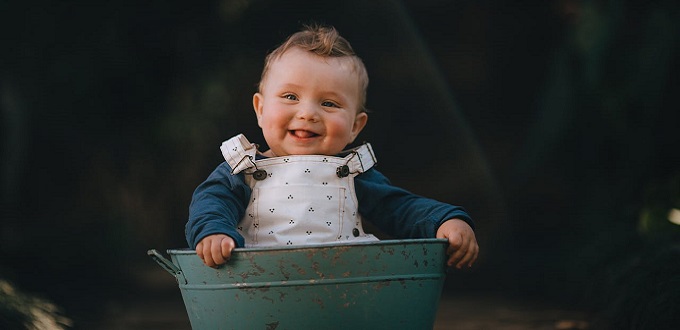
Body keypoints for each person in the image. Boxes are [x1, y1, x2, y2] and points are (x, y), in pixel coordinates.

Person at [185, 24, 478, 270]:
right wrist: (213, 232)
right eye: (290, 96)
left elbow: (399, 207)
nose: (308, 113)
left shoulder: (350, 173)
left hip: (345, 288)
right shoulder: (243, 170)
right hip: (263, 287)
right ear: (260, 109)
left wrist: (444, 220)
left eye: (329, 103)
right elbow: (210, 203)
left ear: (355, 126)